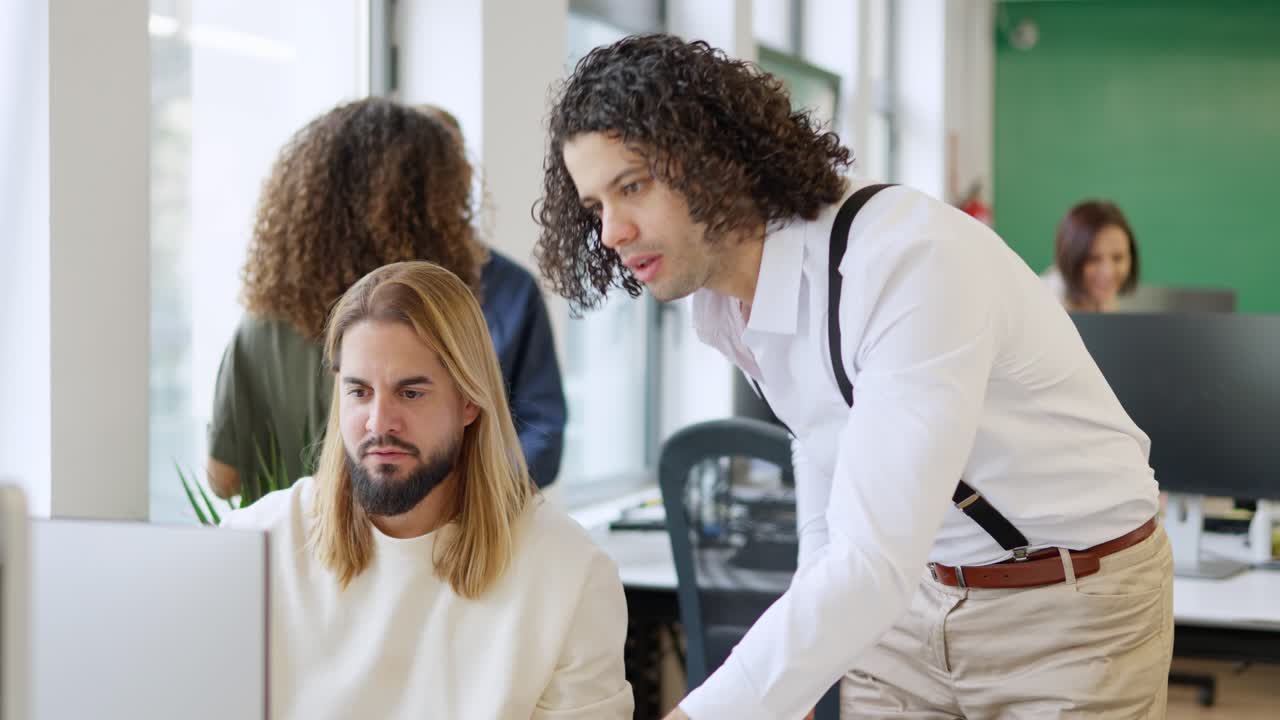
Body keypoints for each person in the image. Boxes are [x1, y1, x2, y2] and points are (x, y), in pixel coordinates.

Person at [535, 34, 1171, 719]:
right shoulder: (722, 308)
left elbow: (870, 561)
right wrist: (805, 663)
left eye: (632, 186)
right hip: (907, 603)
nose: (611, 232)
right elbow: (821, 442)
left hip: (1068, 609)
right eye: (595, 206)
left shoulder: (906, 263)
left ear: (714, 158)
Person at [220, 261, 632, 719]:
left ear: (469, 401)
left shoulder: (569, 574)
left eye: (410, 393)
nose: (380, 423)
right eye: (359, 392)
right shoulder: (253, 546)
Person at [208, 97, 566, 500]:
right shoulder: (453, 308)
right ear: (431, 201)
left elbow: (224, 478)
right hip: (440, 537)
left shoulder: (264, 321)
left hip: (299, 539)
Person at [1041, 199, 1140, 312]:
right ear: (1070, 259)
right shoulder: (1041, 303)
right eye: (1094, 259)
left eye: (1118, 258)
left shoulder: (1106, 300)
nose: (1108, 272)